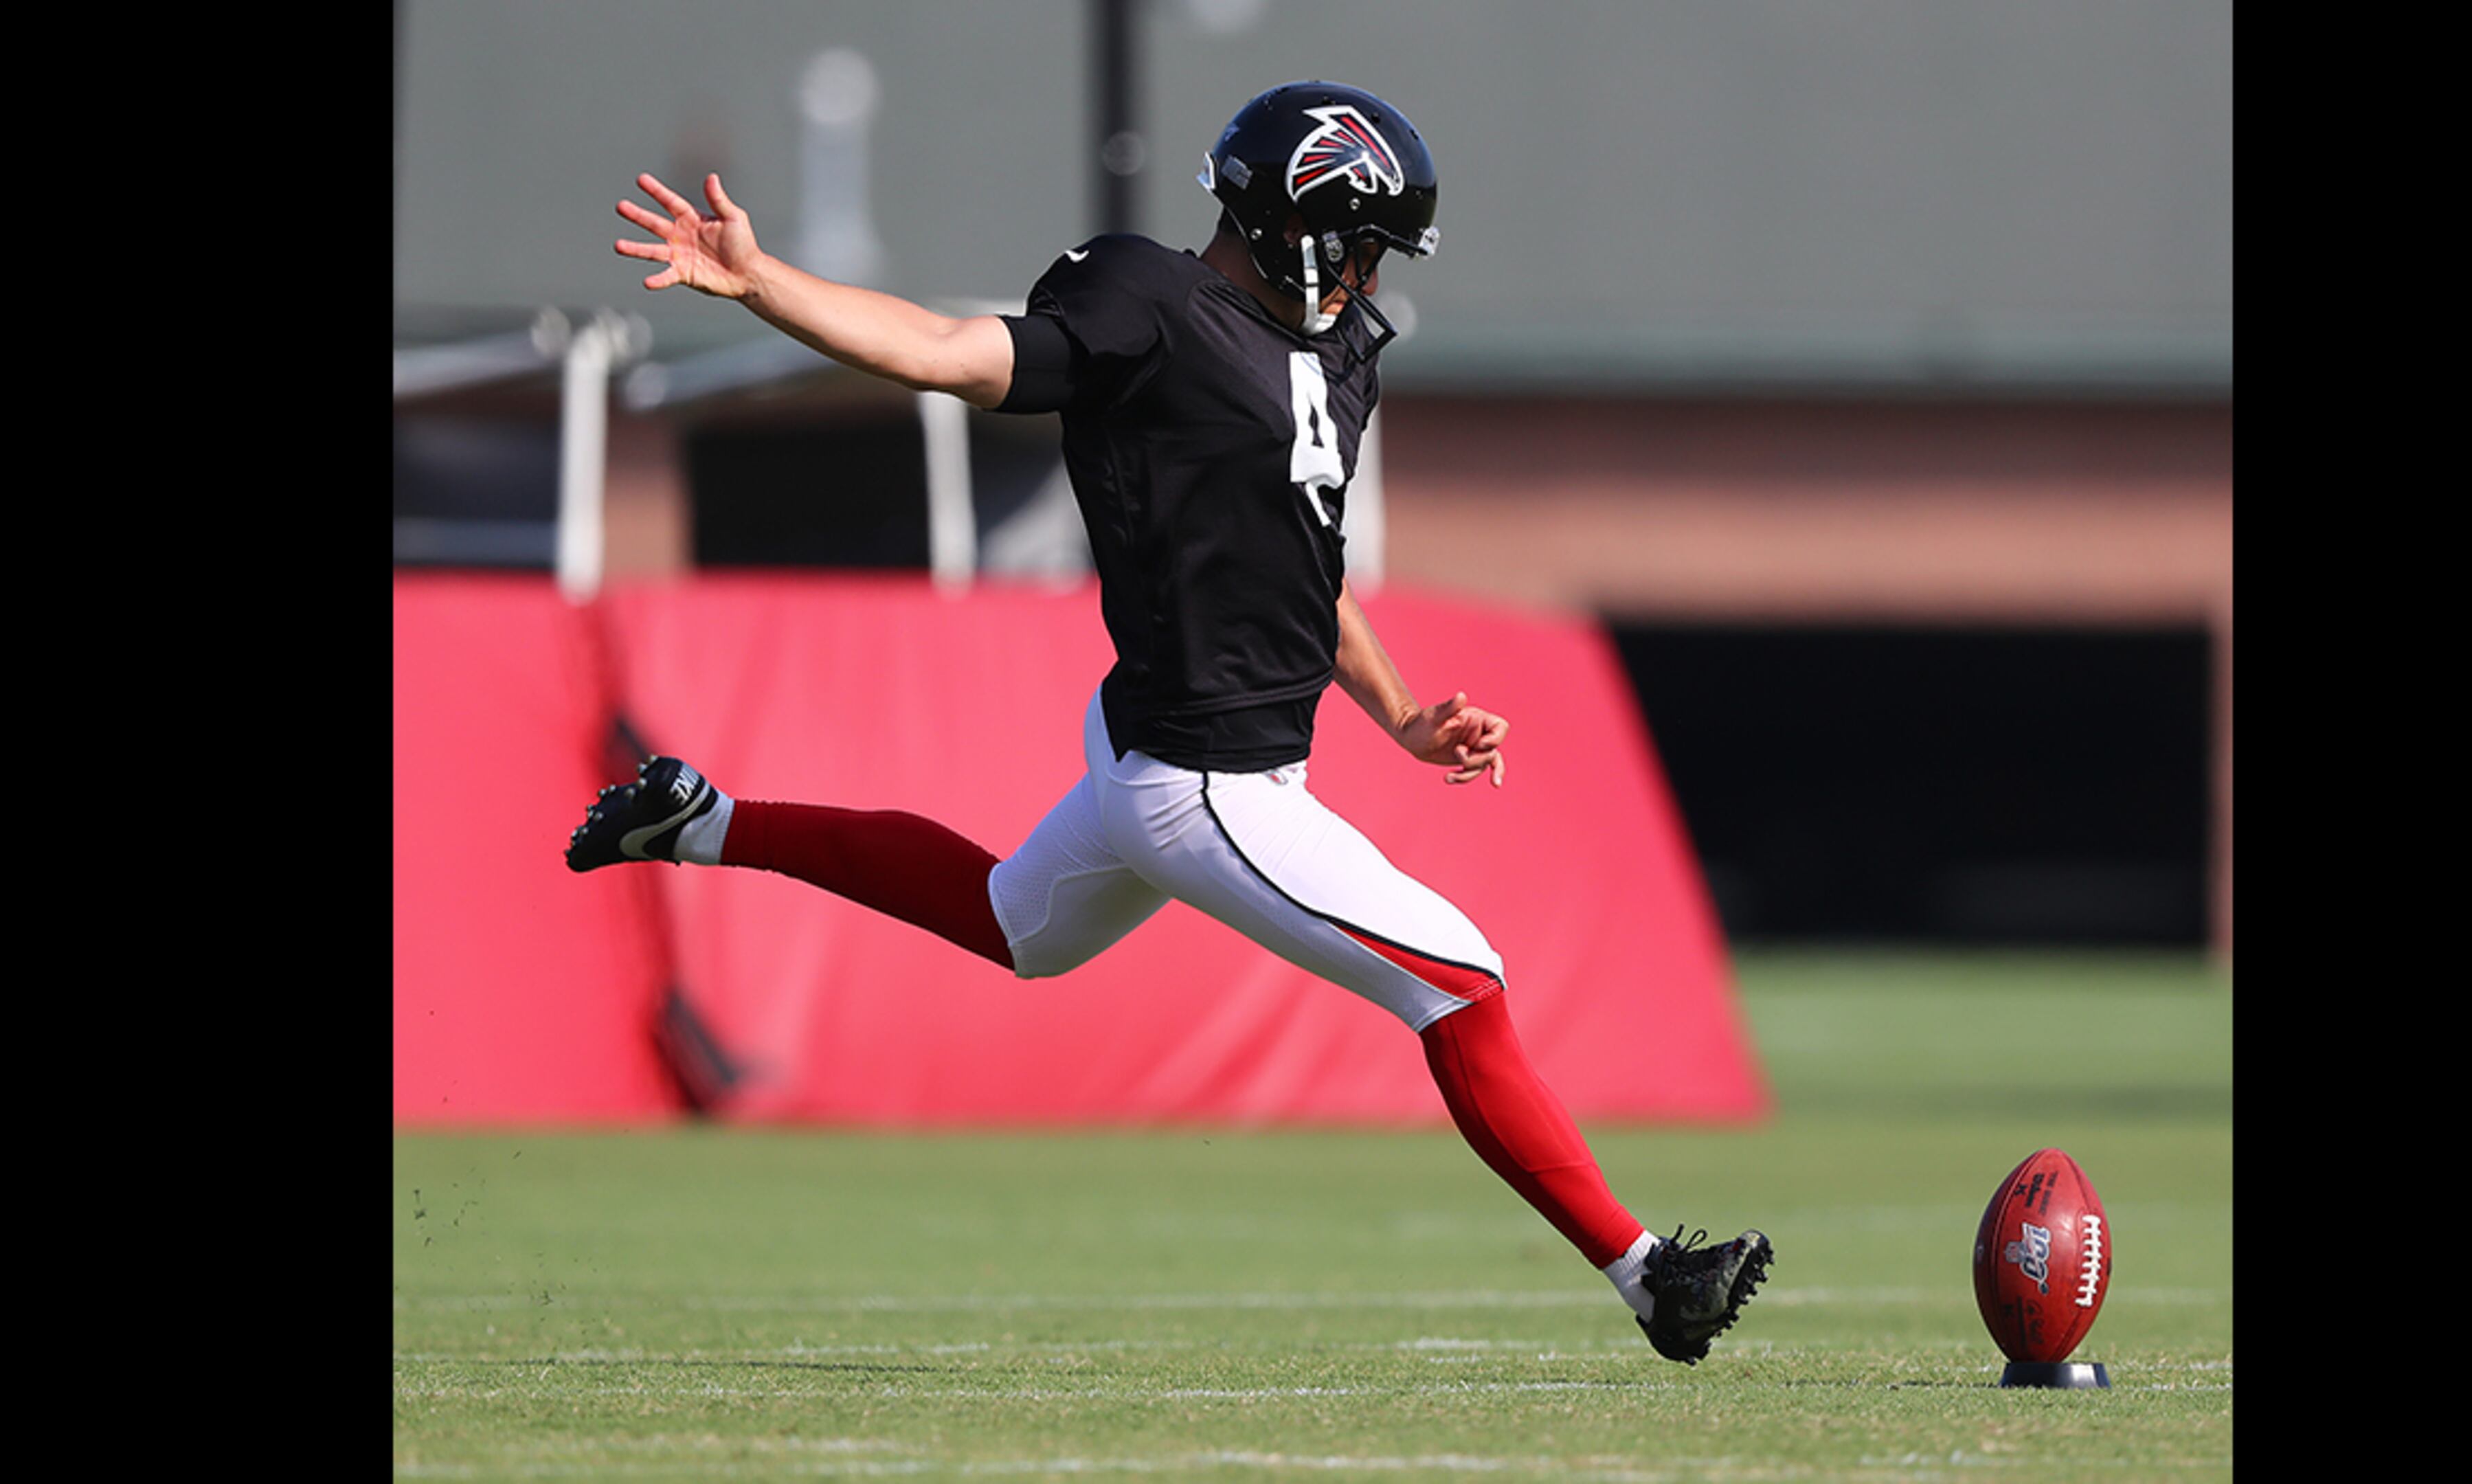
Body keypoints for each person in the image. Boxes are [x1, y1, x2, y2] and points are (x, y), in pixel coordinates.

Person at [568, 80, 1770, 1364]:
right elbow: (940, 351)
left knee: (1009, 926)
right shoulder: (1144, 301)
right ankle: (1651, 1279)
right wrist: (766, 286)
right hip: (1205, 780)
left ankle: (705, 824)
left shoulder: (1336, 353)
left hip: (1187, 755)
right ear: (1301, 221)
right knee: (1462, 986)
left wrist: (1405, 714)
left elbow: (1307, 564)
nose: (1366, 274)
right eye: (1359, 241)